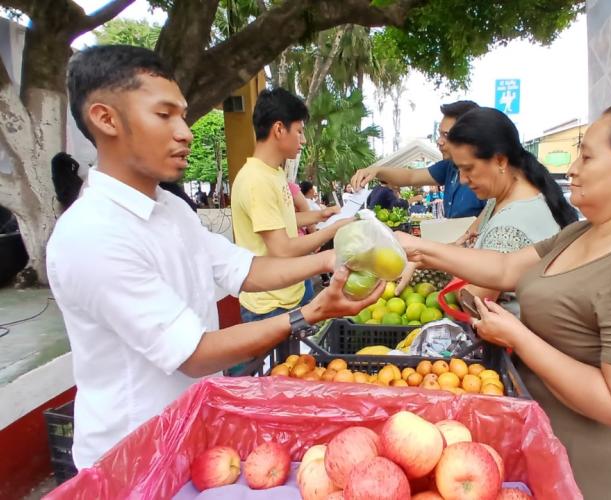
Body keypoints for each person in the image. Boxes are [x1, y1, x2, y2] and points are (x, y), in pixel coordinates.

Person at [46, 45, 383, 469]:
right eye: (164, 114)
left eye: (182, 115)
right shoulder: (91, 235)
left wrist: (327, 260)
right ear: (105, 118)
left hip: (191, 438)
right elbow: (194, 353)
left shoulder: (172, 212)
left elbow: (248, 269)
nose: (185, 131)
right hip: (133, 462)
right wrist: (308, 314)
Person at [395, 101, 611, 499]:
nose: (573, 167)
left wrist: (518, 336)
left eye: (588, 155)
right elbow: (505, 269)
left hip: (601, 472)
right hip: (549, 446)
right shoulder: (581, 233)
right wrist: (414, 247)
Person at [231, 88, 349, 327]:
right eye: (299, 131)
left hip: (292, 291)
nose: (303, 140)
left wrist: (319, 214)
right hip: (270, 305)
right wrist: (333, 229)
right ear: (278, 129)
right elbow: (282, 249)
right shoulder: (257, 180)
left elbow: (278, 223)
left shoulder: (273, 173)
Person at [442, 107, 578, 314]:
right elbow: (468, 240)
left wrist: (454, 275)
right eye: (458, 168)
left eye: (468, 168)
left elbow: (475, 301)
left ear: (500, 161)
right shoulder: (507, 198)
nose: (462, 179)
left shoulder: (509, 227)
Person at [350, 100, 486, 219]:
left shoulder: (488, 176)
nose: (439, 141)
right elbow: (411, 176)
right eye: (439, 134)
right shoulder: (448, 166)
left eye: (447, 135)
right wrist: (376, 170)